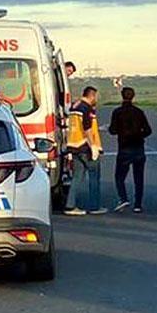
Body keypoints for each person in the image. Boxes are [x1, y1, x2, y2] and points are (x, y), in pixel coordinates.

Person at [109, 85, 152, 214]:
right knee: (139, 178)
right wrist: (139, 135)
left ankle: (123, 198)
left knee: (119, 177)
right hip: (139, 147)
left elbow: (113, 130)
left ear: (122, 96)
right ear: (133, 96)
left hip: (124, 148)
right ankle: (138, 204)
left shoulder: (117, 112)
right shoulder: (139, 112)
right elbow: (148, 130)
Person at [62, 86, 104, 216]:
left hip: (73, 146)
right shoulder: (87, 109)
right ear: (92, 96)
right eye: (95, 97)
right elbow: (87, 129)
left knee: (77, 177)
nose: (96, 99)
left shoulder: (75, 107)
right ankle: (94, 206)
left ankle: (70, 206)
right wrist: (93, 147)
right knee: (94, 176)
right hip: (85, 146)